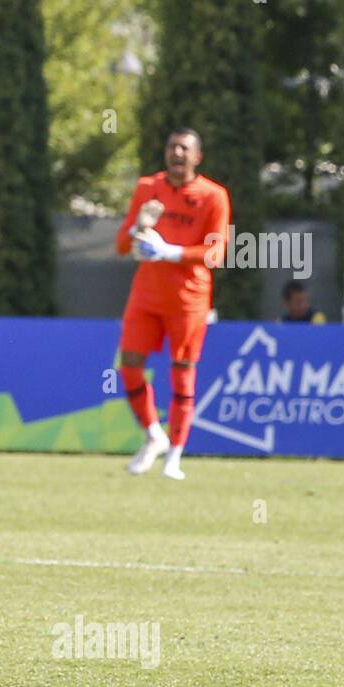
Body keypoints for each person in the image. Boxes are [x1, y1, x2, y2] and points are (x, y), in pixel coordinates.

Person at [114, 128, 231, 480]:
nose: (176, 152)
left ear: (197, 157)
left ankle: (175, 456)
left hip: (188, 299)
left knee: (182, 375)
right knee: (129, 365)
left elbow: (216, 252)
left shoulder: (213, 196)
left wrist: (171, 252)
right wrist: (139, 229)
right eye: (171, 146)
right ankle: (154, 435)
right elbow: (122, 245)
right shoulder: (147, 188)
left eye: (184, 148)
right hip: (146, 294)